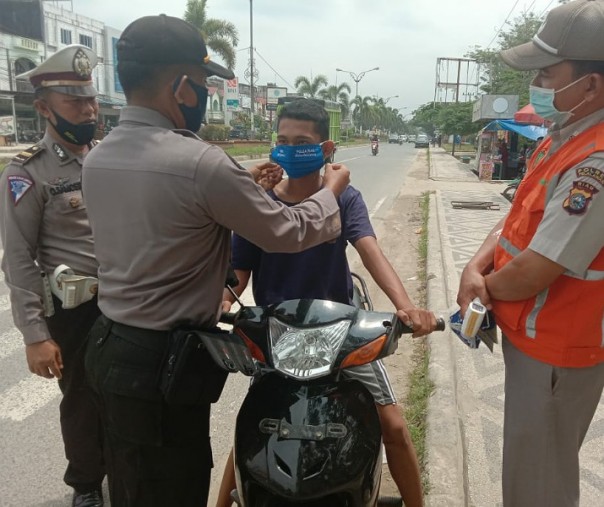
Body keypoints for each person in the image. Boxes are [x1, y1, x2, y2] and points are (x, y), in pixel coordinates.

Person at [80, 15, 350, 507]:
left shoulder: (99, 157)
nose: (204, 94)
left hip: (111, 345)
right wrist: (332, 192)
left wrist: (236, 182)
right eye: (203, 84)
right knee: (172, 486)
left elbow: (165, 206)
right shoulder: (200, 163)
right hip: (161, 363)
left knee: (130, 480)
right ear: (182, 86)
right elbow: (289, 232)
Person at [217, 99, 438, 507]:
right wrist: (218, 303)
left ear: (325, 149)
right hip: (276, 336)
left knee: (393, 424)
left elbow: (369, 250)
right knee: (250, 425)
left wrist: (406, 306)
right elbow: (239, 274)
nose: (287, 148)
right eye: (281, 140)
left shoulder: (345, 198)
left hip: (341, 332)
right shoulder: (259, 201)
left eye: (300, 142)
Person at [456, 1, 604, 505]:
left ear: (591, 85)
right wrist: (476, 264)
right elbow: (515, 217)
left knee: (538, 484)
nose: (537, 86)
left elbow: (539, 267)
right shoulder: (561, 139)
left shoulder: (596, 163)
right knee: (526, 467)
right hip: (532, 339)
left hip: (559, 351)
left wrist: (481, 288)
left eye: (546, 73)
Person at [0, 45, 105, 507]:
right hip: (75, 309)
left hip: (124, 302)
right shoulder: (27, 171)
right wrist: (34, 334)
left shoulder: (106, 158)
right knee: (81, 401)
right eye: (74, 102)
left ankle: (123, 474)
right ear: (44, 108)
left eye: (90, 99)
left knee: (126, 397)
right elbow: (18, 256)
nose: (87, 110)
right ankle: (85, 485)